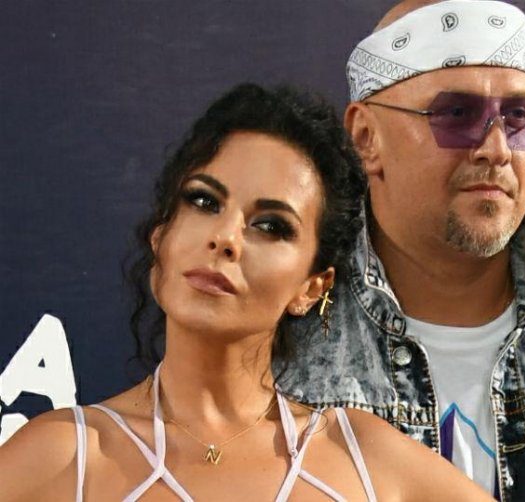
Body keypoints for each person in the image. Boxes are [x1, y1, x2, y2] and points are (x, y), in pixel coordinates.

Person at [0, 83, 492, 501]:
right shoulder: (65, 458)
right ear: (161, 238)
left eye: (271, 226)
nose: (225, 238)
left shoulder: (364, 461)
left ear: (312, 287)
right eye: (203, 201)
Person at [279, 1, 525, 500]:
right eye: (457, 114)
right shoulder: (273, 353)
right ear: (366, 138)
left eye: (518, 117)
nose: (497, 150)